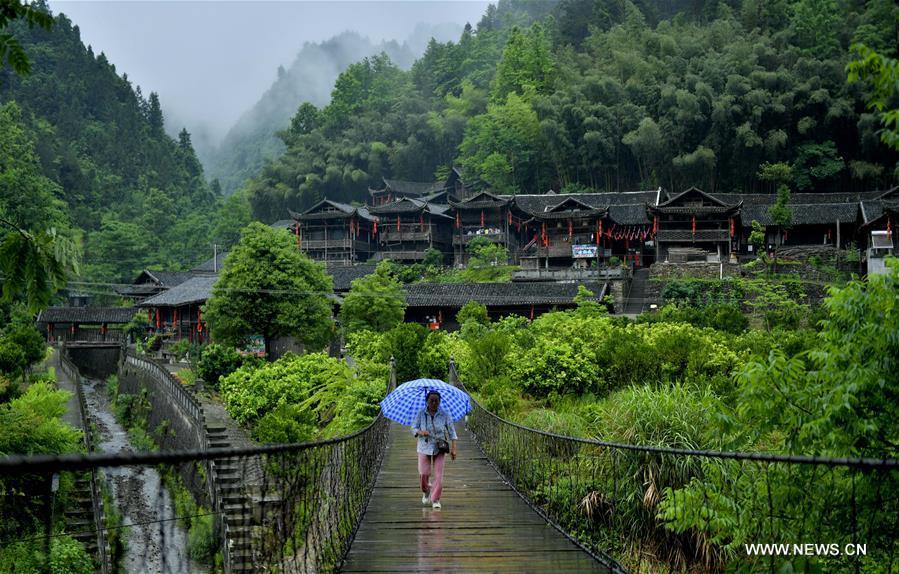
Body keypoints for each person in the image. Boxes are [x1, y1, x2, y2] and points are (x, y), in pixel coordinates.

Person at [411, 390, 458, 509]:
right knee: (423, 473)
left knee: (439, 476)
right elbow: (413, 428)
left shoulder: (444, 414)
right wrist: (421, 432)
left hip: (439, 447)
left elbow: (452, 432)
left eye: (436, 401)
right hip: (423, 446)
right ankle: (426, 490)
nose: (433, 403)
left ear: (439, 402)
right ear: (427, 401)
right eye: (431, 400)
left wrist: (454, 449)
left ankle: (435, 499)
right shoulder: (421, 413)